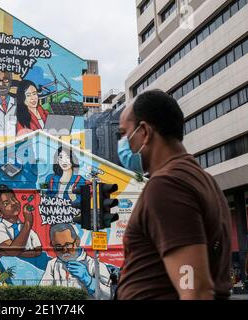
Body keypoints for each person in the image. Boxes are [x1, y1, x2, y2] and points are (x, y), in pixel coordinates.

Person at [116, 89, 232, 300]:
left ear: (144, 131)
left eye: (124, 133)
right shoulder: (201, 179)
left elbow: (195, 290)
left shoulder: (167, 186)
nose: (123, 143)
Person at [40, 223, 111, 299]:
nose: (64, 250)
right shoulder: (52, 265)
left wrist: (89, 281)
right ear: (52, 245)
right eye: (58, 246)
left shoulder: (95, 265)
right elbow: (42, 293)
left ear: (77, 241)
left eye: (68, 244)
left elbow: (108, 296)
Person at [0, 185, 42, 258]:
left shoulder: (24, 227)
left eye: (13, 199)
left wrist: (7, 253)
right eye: (6, 203)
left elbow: (38, 251)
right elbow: (13, 251)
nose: (13, 203)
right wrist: (28, 223)